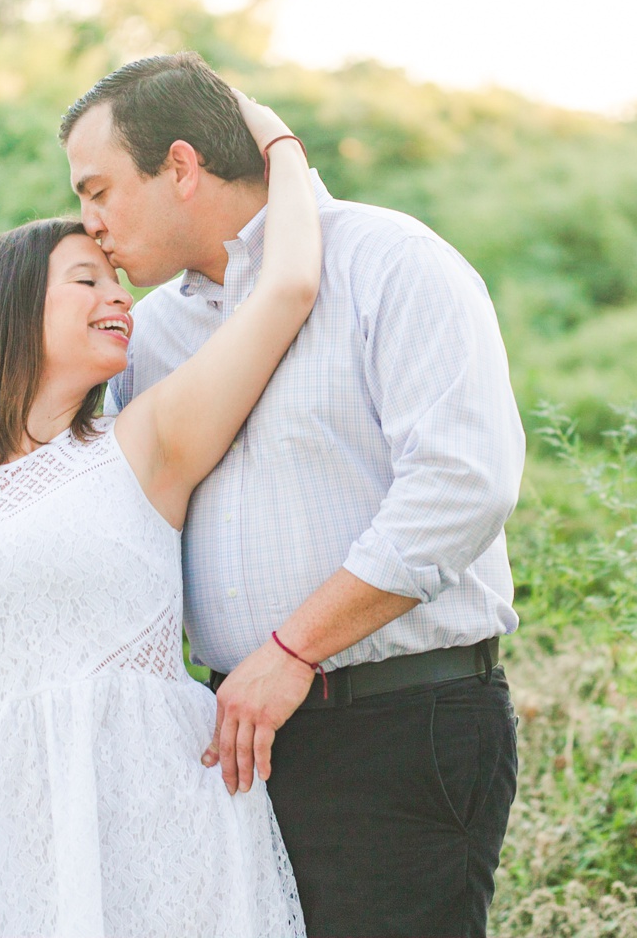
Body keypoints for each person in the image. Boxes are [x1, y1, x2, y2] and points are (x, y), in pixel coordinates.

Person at [62, 52, 525, 937]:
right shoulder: (150, 337)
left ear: (183, 168)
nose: (88, 224)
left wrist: (293, 650)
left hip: (396, 723)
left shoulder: (392, 263)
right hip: (233, 741)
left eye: (99, 190)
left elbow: (464, 486)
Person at [0, 91, 318, 937]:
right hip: (16, 834)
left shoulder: (145, 441)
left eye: (117, 280)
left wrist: (278, 143)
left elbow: (287, 286)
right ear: (4, 315)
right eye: (87, 281)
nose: (119, 297)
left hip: (167, 815)